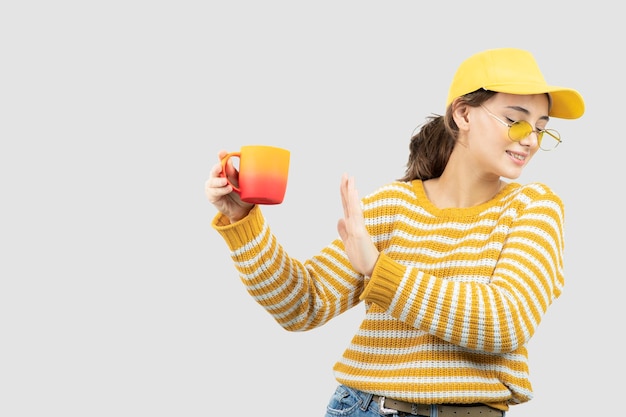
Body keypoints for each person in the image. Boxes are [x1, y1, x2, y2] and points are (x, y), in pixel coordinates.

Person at [205, 47, 585, 417]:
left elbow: (504, 323)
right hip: (363, 407)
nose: (530, 140)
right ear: (464, 113)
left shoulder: (535, 208)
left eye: (540, 128)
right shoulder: (393, 206)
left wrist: (379, 270)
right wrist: (244, 220)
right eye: (516, 120)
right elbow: (302, 305)